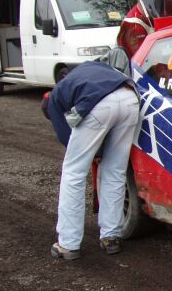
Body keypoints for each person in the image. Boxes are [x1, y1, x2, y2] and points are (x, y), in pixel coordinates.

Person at [44, 60, 140, 260]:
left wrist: (93, 152)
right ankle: (111, 236)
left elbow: (66, 137)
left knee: (74, 172)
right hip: (130, 97)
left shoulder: (53, 100)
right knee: (115, 170)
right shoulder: (88, 68)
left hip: (99, 103)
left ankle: (68, 244)